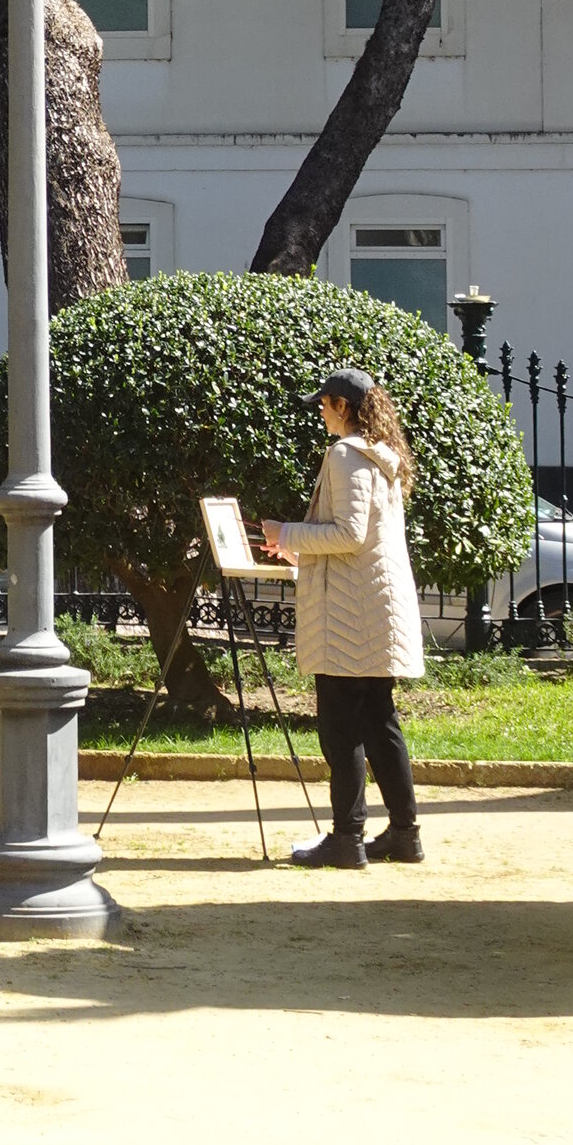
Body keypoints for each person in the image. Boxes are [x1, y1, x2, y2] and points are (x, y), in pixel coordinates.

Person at [258, 365, 426, 870]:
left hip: (351, 616)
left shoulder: (345, 454)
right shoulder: (381, 459)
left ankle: (347, 838)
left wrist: (286, 533)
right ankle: (404, 833)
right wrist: (298, 549)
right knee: (379, 722)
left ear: (343, 408)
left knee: (341, 727)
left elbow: (349, 534)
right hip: (375, 607)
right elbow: (360, 538)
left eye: (326, 405)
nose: (322, 415)